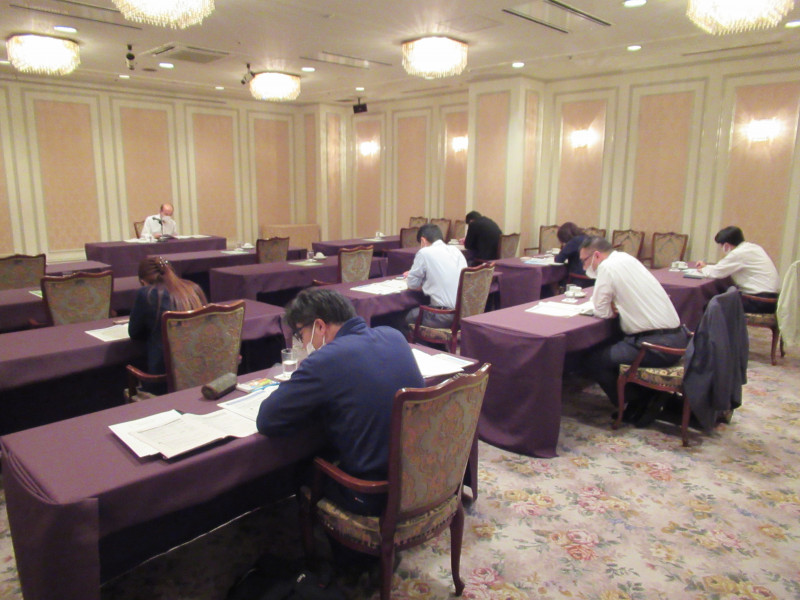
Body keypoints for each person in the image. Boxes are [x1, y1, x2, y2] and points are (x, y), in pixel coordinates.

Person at [257, 288, 424, 516]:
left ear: (320, 326)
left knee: (302, 469)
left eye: (300, 334)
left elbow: (268, 419)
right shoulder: (394, 336)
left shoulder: (325, 359)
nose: (302, 344)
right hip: (418, 476)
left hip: (372, 494)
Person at [579, 236, 689, 426]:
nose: (583, 267)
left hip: (656, 345)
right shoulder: (627, 259)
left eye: (584, 261)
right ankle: (647, 396)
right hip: (677, 337)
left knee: (594, 360)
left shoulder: (607, 267)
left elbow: (601, 311)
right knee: (611, 345)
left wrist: (611, 309)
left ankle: (640, 401)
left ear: (596, 255)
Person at [128, 256, 207, 393]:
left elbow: (134, 333)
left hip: (164, 382)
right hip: (204, 373)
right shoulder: (194, 288)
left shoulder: (146, 294)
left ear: (143, 282)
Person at [695, 226, 780, 313]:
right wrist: (706, 267)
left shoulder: (738, 253)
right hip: (772, 299)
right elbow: (722, 268)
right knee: (721, 298)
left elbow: (717, 272)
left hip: (759, 301)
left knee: (711, 305)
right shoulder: (753, 248)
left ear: (726, 246)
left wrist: (703, 269)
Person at [404, 223, 468, 329]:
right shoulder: (456, 251)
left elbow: (412, 284)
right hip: (462, 314)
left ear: (423, 240)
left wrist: (413, 276)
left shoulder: (424, 252)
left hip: (442, 315)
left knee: (403, 318)